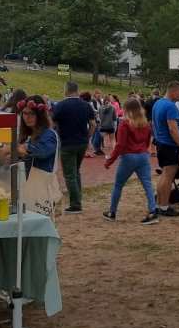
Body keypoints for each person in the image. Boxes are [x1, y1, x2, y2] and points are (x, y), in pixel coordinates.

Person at [101, 98, 155, 223]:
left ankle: (112, 212)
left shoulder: (125, 124)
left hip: (129, 157)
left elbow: (120, 145)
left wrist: (110, 160)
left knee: (118, 185)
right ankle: (153, 211)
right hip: (143, 156)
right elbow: (147, 141)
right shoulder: (146, 124)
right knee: (147, 184)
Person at [51, 81, 96, 214]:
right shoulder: (86, 105)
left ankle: (76, 204)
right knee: (76, 171)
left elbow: (52, 124)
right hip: (82, 142)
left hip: (67, 143)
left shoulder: (60, 105)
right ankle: (78, 198)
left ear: (66, 90)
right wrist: (88, 137)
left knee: (70, 174)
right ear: (77, 90)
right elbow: (93, 124)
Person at [150, 81, 179, 223]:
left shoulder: (158, 103)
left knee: (164, 175)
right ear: (173, 91)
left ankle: (160, 204)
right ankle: (164, 206)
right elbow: (173, 128)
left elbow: (153, 124)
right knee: (168, 176)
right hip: (170, 145)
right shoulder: (170, 106)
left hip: (161, 143)